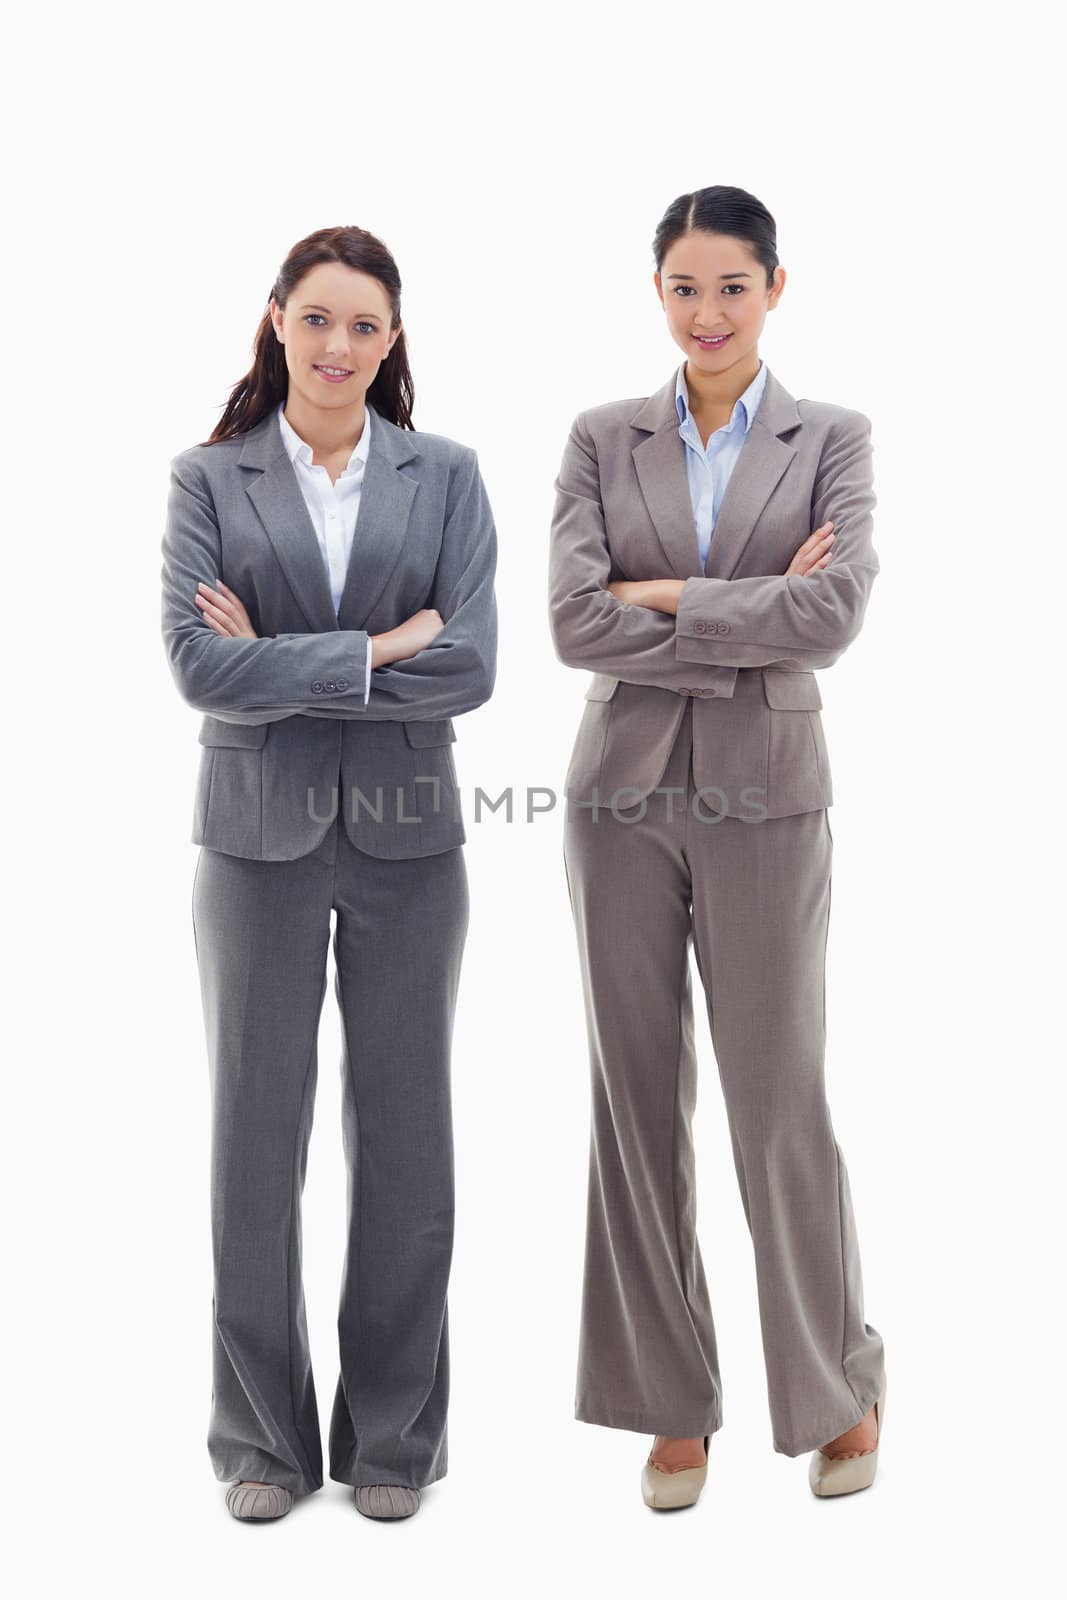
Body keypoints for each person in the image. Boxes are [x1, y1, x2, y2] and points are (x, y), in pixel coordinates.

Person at [549, 185, 887, 1509]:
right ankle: (668, 1403)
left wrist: (670, 598)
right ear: (659, 295)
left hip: (769, 796)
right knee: (633, 1101)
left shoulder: (833, 438)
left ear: (775, 290)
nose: (707, 314)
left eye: (731, 288)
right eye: (683, 288)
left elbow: (838, 609)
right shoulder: (598, 438)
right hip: (616, 800)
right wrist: (750, 611)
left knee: (776, 1097)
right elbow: (575, 623)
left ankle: (835, 1387)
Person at [160, 225, 498, 1523]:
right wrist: (377, 652)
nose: (338, 346)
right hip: (252, 841)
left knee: (410, 1143)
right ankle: (259, 1438)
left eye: (363, 324)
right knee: (256, 1141)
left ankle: (394, 1441)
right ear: (276, 321)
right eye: (316, 319)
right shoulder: (209, 480)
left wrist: (290, 663)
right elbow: (196, 668)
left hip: (415, 838)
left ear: (393, 338)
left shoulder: (448, 476)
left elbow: (471, 665)